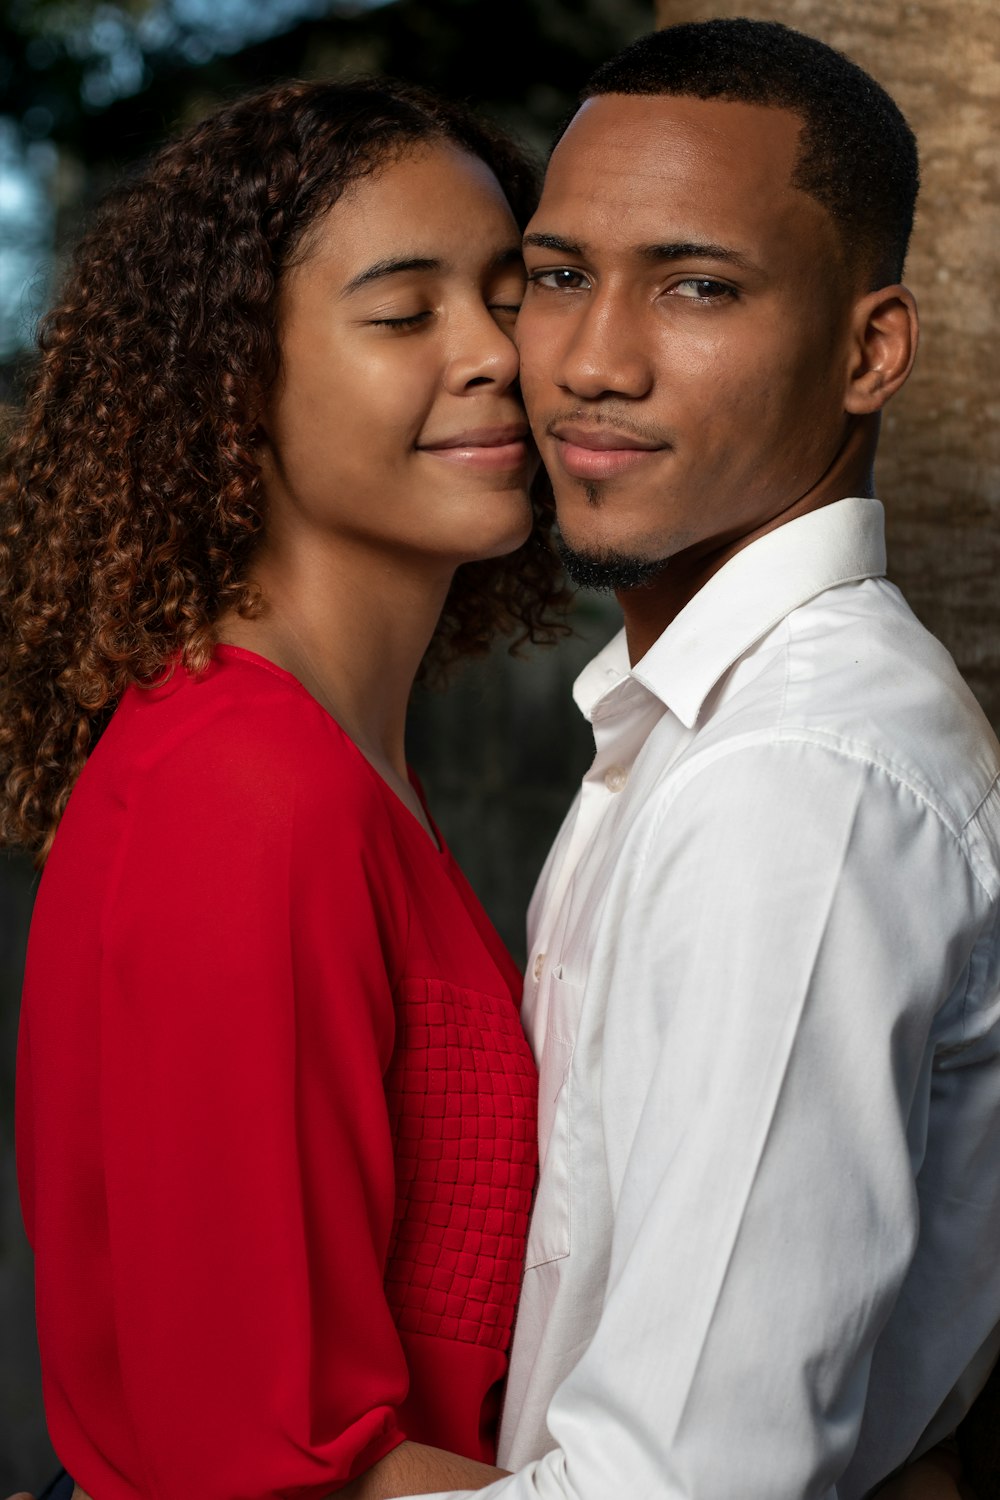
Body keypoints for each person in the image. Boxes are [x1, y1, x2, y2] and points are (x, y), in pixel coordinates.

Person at [367, 18, 1000, 1500]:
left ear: (869, 351)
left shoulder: (795, 782)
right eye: (562, 277)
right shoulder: (696, 725)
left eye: (698, 287)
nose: (593, 362)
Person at [2, 77, 571, 1498]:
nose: (497, 353)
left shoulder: (331, 756)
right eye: (403, 312)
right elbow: (266, 1475)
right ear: (231, 379)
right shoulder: (251, 790)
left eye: (514, 292)